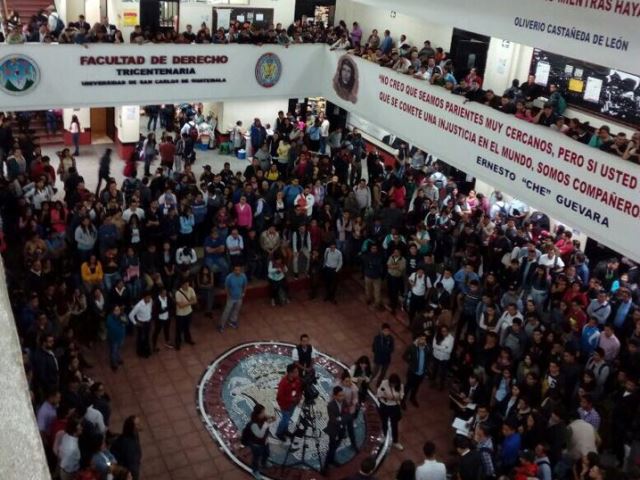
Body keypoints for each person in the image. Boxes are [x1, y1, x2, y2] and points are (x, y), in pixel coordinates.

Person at [245, 404, 274, 480]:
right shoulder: (253, 424)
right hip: (256, 445)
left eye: (264, 412)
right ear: (258, 414)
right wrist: (266, 424)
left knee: (266, 453)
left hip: (265, 442)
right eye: (262, 412)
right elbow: (260, 435)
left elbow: (268, 419)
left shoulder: (262, 418)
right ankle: (255, 471)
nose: (264, 414)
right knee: (256, 458)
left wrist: (271, 418)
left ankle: (264, 463)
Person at [376, 373, 404, 450]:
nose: (393, 385)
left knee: (394, 425)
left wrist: (396, 397)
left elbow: (402, 395)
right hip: (384, 406)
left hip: (394, 407)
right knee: (384, 422)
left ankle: (395, 442)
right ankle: (385, 437)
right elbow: (378, 393)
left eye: (394, 384)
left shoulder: (400, 386)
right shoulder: (384, 383)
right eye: (391, 383)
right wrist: (386, 396)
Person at [401, 333, 429, 409]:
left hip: (421, 373)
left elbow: (428, 358)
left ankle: (412, 398)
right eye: (421, 339)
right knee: (408, 387)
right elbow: (404, 356)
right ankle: (403, 400)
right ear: (418, 339)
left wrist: (426, 368)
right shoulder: (412, 347)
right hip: (412, 372)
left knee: (416, 387)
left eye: (424, 339)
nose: (423, 341)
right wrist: (411, 363)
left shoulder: (427, 348)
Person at [275, 364, 302, 442]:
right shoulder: (283, 383)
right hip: (285, 405)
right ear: (290, 373)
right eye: (296, 372)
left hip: (293, 404)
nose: (297, 373)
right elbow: (280, 397)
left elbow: (299, 389)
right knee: (285, 419)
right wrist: (292, 399)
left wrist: (298, 398)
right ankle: (279, 433)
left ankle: (285, 430)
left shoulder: (296, 379)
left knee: (288, 418)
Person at [111, 416, 142, 480]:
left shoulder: (133, 434)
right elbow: (132, 466)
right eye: (137, 424)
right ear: (132, 428)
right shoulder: (129, 446)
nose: (140, 425)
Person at [219, 265, 248, 332]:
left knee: (236, 310)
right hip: (231, 298)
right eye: (236, 270)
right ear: (233, 270)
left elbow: (245, 285)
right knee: (226, 311)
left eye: (239, 270)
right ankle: (221, 325)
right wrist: (228, 296)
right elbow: (226, 287)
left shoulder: (243, 276)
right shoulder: (229, 277)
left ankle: (232, 321)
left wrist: (243, 293)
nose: (237, 272)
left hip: (239, 297)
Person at [128, 292, 153, 358]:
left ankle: (147, 351)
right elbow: (130, 315)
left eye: (150, 297)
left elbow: (150, 310)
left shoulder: (150, 301)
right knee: (141, 338)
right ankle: (140, 352)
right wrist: (135, 323)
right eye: (148, 297)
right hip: (142, 324)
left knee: (147, 337)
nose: (149, 299)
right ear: (144, 297)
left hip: (148, 322)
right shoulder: (138, 306)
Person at [174, 278, 196, 349]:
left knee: (187, 327)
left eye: (188, 284)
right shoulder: (178, 293)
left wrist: (186, 303)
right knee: (179, 329)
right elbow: (180, 306)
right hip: (180, 314)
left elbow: (195, 301)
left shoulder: (191, 289)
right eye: (185, 285)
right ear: (182, 285)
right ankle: (178, 343)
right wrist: (190, 302)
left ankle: (188, 339)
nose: (187, 286)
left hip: (189, 312)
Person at [106, 304, 127, 371]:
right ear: (112, 311)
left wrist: (124, 321)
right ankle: (113, 363)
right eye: (116, 310)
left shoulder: (122, 315)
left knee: (119, 349)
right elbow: (112, 328)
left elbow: (127, 322)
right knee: (113, 351)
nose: (118, 311)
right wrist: (120, 322)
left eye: (118, 310)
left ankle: (118, 359)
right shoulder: (109, 318)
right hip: (113, 339)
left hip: (121, 337)